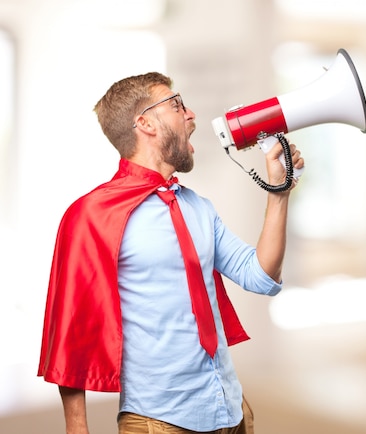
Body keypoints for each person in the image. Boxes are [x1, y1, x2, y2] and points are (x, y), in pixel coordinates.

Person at [37, 72, 304, 434]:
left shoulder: (198, 207)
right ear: (144, 123)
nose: (190, 114)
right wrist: (77, 429)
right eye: (177, 105)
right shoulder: (90, 215)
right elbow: (71, 327)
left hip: (232, 410)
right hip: (160, 422)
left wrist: (279, 190)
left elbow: (261, 276)